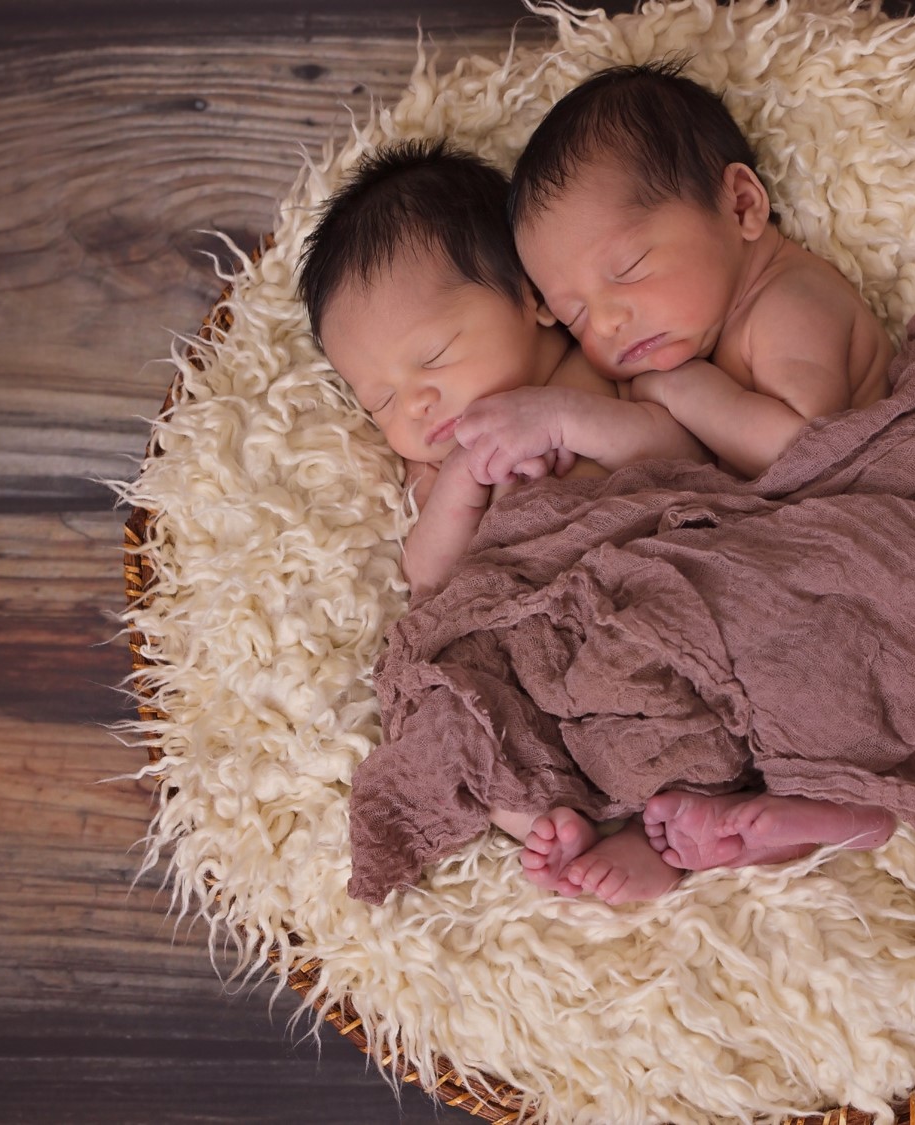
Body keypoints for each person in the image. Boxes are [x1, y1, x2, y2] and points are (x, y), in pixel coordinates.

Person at [484, 61, 901, 882]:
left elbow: (802, 450)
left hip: (864, 553)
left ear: (742, 206)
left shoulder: (792, 302)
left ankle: (840, 812)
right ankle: (680, 833)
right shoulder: (707, 327)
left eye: (629, 269)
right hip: (792, 567)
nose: (606, 321)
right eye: (573, 313)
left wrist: (682, 387)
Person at [298, 140, 703, 904]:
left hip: (641, 601)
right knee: (455, 711)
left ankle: (676, 833)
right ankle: (551, 821)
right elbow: (430, 576)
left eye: (435, 356)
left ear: (533, 295)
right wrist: (462, 480)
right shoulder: (440, 468)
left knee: (714, 683)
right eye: (379, 399)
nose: (414, 403)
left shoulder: (603, 372)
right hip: (530, 652)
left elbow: (680, 453)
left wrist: (560, 418)